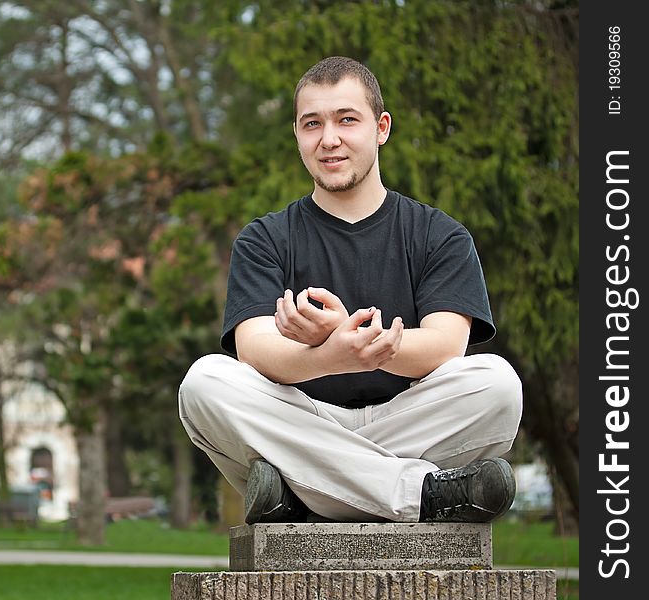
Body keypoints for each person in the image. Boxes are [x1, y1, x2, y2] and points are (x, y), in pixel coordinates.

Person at [178, 56, 522, 524]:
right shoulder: (264, 239)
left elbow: (446, 346)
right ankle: (422, 493)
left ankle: (303, 492)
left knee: (497, 384)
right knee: (204, 384)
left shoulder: (439, 234)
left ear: (381, 127)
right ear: (297, 135)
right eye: (312, 124)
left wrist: (355, 341)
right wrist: (329, 356)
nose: (329, 139)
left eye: (346, 120)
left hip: (406, 419)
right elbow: (253, 349)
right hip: (300, 416)